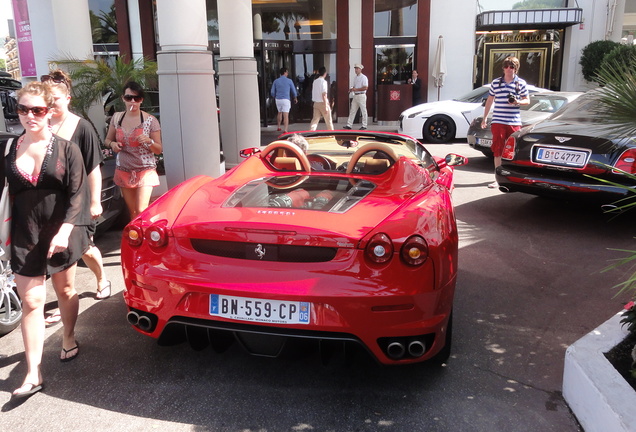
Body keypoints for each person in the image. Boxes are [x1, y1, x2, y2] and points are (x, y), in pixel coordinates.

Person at [4, 82, 92, 398]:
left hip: (60, 228)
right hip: (24, 233)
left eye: (37, 109)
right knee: (31, 302)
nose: (30, 115)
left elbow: (79, 193)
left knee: (65, 289)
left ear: (49, 111)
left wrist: (66, 230)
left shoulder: (67, 149)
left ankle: (68, 335)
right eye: (23, 109)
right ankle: (33, 374)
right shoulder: (8, 148)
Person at [39, 70, 111, 329]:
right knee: (59, 252)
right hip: (51, 203)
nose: (51, 103)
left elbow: (94, 168)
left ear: (67, 98)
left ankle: (101, 279)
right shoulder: (41, 126)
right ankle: (63, 300)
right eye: (47, 99)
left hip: (79, 200)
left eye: (56, 98)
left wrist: (95, 202)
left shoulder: (82, 127)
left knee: (81, 247)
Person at [104, 81, 162, 219]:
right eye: (129, 98)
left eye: (137, 98)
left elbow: (159, 149)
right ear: (123, 98)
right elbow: (107, 140)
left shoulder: (150, 120)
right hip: (124, 168)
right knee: (133, 212)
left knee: (141, 209)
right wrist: (113, 145)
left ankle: (148, 236)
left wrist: (149, 141)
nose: (133, 102)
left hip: (145, 169)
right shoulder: (117, 118)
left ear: (141, 100)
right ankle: (136, 239)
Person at [481, 56, 529, 189]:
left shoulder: (521, 83)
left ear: (516, 68)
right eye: (507, 66)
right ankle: (497, 178)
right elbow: (490, 101)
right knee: (498, 149)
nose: (509, 69)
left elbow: (527, 100)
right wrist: (485, 118)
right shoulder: (496, 83)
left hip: (514, 121)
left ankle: (512, 177)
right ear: (503, 68)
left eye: (512, 66)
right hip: (498, 120)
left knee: (512, 150)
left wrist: (517, 101)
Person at [270, 67, 297, 133]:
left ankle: (279, 127)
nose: (287, 74)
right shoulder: (289, 81)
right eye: (287, 72)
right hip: (286, 99)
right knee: (286, 115)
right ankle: (285, 129)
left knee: (279, 113)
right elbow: (293, 91)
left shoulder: (276, 81)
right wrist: (295, 97)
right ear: (284, 72)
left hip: (278, 99)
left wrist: (274, 96)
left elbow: (272, 92)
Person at [343, 64, 368, 130]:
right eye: (355, 69)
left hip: (361, 95)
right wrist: (352, 89)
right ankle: (349, 125)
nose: (356, 70)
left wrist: (356, 89)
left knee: (363, 111)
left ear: (360, 69)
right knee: (352, 110)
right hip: (356, 95)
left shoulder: (364, 77)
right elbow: (354, 86)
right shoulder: (355, 78)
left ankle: (364, 125)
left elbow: (365, 87)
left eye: (357, 68)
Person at [309, 67, 334, 131]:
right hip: (323, 103)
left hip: (316, 103)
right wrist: (326, 105)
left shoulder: (315, 81)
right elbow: (324, 94)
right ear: (325, 73)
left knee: (315, 120)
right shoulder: (324, 82)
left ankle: (310, 133)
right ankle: (332, 134)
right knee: (328, 121)